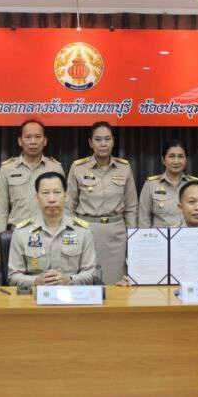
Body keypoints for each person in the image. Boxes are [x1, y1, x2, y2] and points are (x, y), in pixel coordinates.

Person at [117, 181, 198, 286]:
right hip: (174, 297)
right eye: (191, 202)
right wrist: (134, 279)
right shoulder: (166, 237)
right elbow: (149, 271)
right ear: (180, 207)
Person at [66, 121, 138, 284]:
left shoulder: (124, 167)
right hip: (86, 231)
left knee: (116, 283)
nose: (103, 144)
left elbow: (131, 207)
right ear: (90, 143)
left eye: (107, 139)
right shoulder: (78, 168)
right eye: (98, 140)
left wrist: (132, 237)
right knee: (86, 281)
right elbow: (68, 206)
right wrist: (71, 234)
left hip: (116, 234)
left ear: (113, 141)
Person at [8, 172, 97, 288]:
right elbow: (13, 276)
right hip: (34, 295)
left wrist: (70, 280)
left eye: (57, 192)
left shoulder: (82, 231)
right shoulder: (22, 232)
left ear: (66, 196)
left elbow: (91, 273)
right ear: (37, 198)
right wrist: (35, 281)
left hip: (71, 295)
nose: (51, 199)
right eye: (45, 193)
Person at [0, 119, 63, 252]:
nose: (33, 142)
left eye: (38, 137)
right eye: (28, 137)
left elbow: (63, 206)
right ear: (20, 141)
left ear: (45, 141)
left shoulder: (55, 168)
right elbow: (1, 211)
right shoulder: (7, 169)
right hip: (16, 235)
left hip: (49, 234)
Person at [138, 139, 198, 228]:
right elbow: (143, 220)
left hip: (189, 236)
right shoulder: (151, 185)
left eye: (180, 156)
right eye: (171, 156)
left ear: (186, 159)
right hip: (160, 236)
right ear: (163, 160)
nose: (176, 161)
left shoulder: (195, 185)